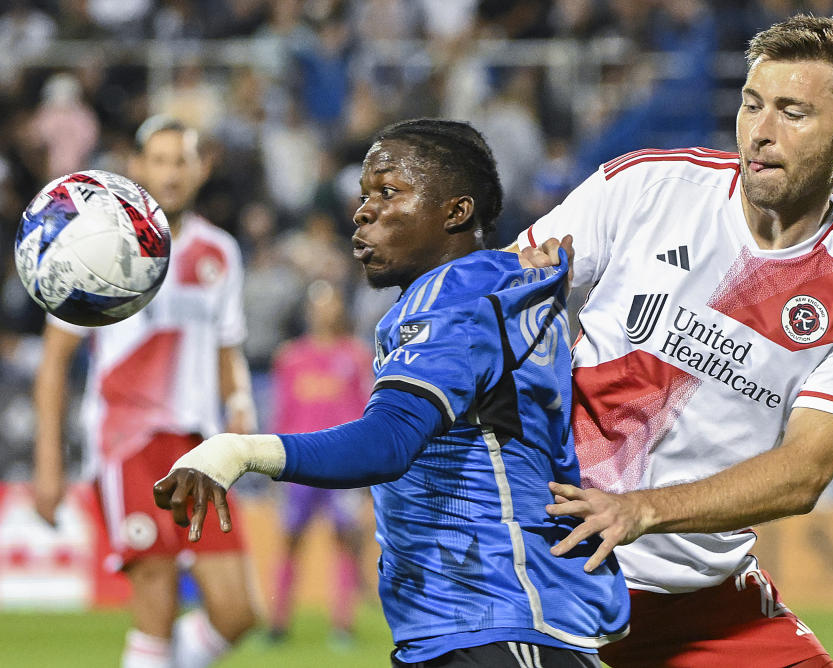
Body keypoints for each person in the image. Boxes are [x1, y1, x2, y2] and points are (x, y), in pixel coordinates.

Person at [511, 14, 833, 668]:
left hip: (695, 603)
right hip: (547, 564)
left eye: (792, 112)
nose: (761, 131)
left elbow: (804, 472)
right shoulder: (647, 187)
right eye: (752, 105)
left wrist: (641, 509)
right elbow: (491, 303)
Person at [154, 118, 630, 667]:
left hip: (495, 622)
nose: (363, 211)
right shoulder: (497, 287)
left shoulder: (456, 302)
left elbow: (387, 442)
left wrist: (239, 450)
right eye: (363, 195)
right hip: (480, 625)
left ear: (457, 211)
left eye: (388, 191)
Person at [33, 116, 258, 668]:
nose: (170, 173)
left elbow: (228, 350)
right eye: (158, 160)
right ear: (136, 168)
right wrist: (48, 463)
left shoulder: (220, 253)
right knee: (154, 599)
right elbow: (55, 362)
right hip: (128, 441)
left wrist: (242, 411)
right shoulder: (98, 244)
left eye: (180, 160)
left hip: (202, 446)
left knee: (236, 613)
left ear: (201, 168)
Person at [267, 279, 373, 643]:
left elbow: (367, 411)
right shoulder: (290, 357)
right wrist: (273, 461)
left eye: (330, 303)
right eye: (318, 304)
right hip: (297, 463)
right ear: (309, 310)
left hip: (342, 464)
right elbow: (282, 412)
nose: (324, 310)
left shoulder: (356, 356)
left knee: (344, 541)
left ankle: (341, 624)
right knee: (290, 540)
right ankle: (278, 623)